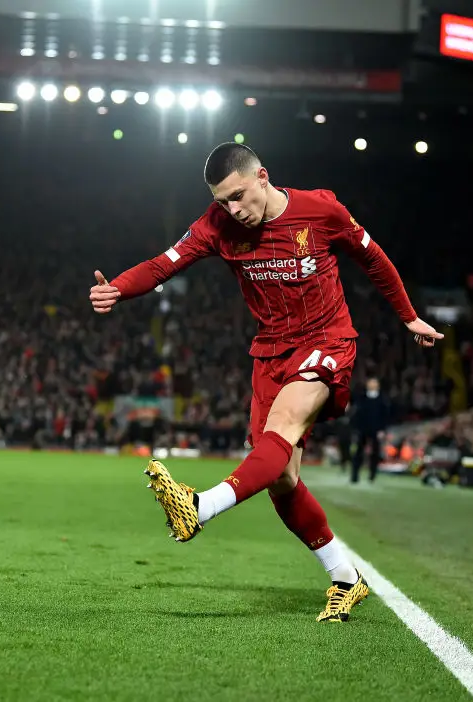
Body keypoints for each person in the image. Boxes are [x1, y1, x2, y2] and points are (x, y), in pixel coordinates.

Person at [89, 143, 442, 622]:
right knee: (281, 477)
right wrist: (118, 288)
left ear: (262, 177)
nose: (233, 210)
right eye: (222, 202)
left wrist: (408, 316)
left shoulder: (320, 210)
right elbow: (162, 265)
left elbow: (374, 259)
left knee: (284, 425)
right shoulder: (216, 226)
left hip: (327, 340)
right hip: (270, 352)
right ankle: (346, 578)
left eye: (237, 196)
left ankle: (200, 506)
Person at [351, 376, 391, 483]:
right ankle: (354, 475)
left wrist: (382, 430)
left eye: (374, 383)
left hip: (376, 430)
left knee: (375, 453)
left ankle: (372, 475)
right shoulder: (362, 397)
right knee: (358, 452)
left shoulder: (382, 399)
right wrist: (357, 428)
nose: (372, 385)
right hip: (362, 429)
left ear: (378, 385)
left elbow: (385, 416)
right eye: (370, 383)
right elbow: (357, 414)